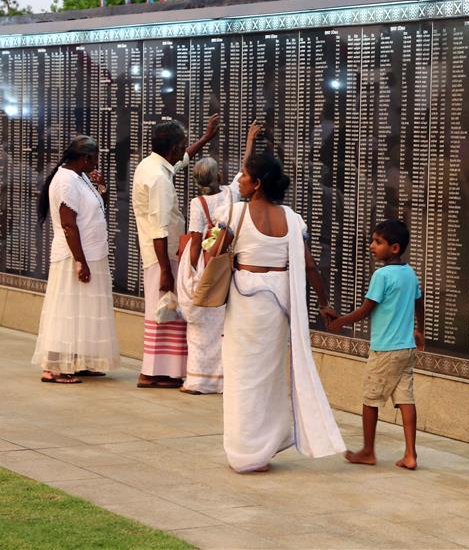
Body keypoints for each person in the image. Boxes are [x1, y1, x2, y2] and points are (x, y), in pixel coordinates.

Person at [209, 151, 345, 472]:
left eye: (243, 175)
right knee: (268, 376)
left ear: (256, 184)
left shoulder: (235, 212)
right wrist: (325, 303)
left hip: (246, 300)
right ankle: (265, 446)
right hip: (278, 303)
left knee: (243, 375)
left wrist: (208, 242)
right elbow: (310, 265)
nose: (239, 180)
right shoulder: (292, 218)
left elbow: (213, 254)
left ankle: (245, 452)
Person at [327, 219, 425, 470]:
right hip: (406, 349)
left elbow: (366, 309)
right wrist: (419, 330)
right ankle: (410, 454)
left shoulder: (381, 275)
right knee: (406, 399)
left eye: (377, 242)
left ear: (394, 248)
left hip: (384, 350)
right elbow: (419, 302)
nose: (371, 246)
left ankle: (368, 451)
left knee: (370, 400)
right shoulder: (410, 272)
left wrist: (340, 322)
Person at [132, 116, 219, 389]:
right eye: (180, 144)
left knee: (164, 313)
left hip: (161, 255)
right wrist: (167, 272)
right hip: (163, 256)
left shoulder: (152, 165)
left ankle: (162, 371)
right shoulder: (158, 178)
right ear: (170, 148)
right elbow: (160, 229)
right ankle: (153, 372)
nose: (183, 150)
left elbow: (180, 162)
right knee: (164, 312)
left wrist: (204, 140)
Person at [175, 122, 259, 395]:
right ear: (217, 175)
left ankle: (199, 380)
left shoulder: (197, 203)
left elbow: (196, 239)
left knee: (200, 329)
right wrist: (249, 140)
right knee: (221, 326)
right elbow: (244, 170)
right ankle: (222, 380)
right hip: (224, 263)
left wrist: (191, 272)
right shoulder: (231, 194)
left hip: (205, 264)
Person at [32, 136, 120, 383]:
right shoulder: (66, 181)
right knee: (66, 311)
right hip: (75, 256)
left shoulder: (80, 177)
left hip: (92, 253)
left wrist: (101, 187)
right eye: (96, 158)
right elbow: (69, 225)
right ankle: (54, 367)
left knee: (84, 311)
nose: (98, 162)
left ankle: (79, 361)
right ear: (85, 158)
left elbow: (94, 209)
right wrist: (80, 261)